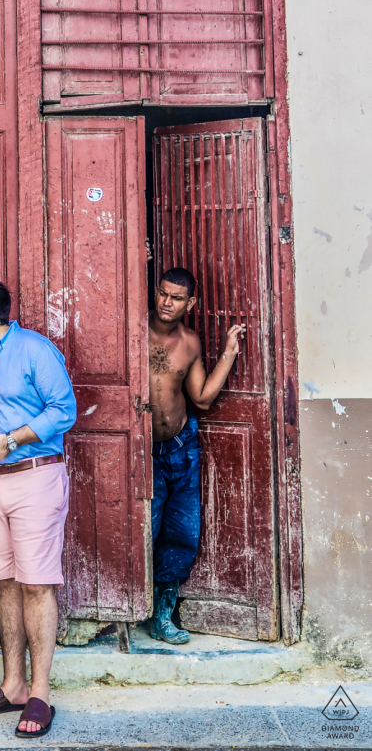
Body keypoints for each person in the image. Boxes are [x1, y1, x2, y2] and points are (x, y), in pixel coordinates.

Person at [0, 279, 76, 739]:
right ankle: (13, 685)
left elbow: (64, 410)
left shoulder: (34, 350)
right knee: (4, 584)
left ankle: (40, 694)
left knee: (37, 585)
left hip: (36, 477)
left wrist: (14, 437)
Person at [147, 267, 245, 645]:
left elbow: (202, 398)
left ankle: (163, 616)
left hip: (181, 449)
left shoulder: (189, 342)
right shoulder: (133, 332)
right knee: (145, 531)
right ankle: (128, 609)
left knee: (181, 533)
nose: (166, 303)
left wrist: (228, 354)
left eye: (175, 298)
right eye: (162, 293)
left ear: (191, 304)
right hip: (145, 452)